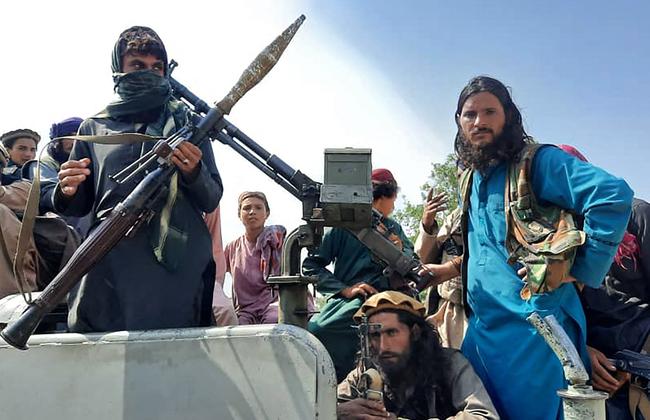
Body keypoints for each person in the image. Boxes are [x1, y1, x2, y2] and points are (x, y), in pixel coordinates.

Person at [418, 76, 633, 419]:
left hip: (535, 333)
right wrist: (444, 271)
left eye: (490, 111)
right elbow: (487, 250)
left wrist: (578, 271)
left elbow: (612, 195)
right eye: (469, 114)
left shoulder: (538, 162)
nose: (480, 122)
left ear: (508, 116)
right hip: (482, 332)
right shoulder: (470, 177)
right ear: (458, 121)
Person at [42, 26, 223, 332]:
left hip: (176, 267)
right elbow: (79, 203)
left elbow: (211, 196)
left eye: (157, 67)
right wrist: (67, 189)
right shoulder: (94, 127)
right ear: (118, 70)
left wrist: (193, 171)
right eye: (138, 65)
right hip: (109, 259)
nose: (150, 73)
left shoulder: (188, 124)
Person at [560, 145, 650, 419]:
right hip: (596, 371)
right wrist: (582, 352)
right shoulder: (556, 237)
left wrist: (638, 362)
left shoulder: (636, 215)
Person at [304, 168, 416, 382]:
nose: (393, 205)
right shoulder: (344, 228)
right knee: (318, 331)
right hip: (353, 303)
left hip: (391, 302)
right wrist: (345, 290)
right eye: (393, 198)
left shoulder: (394, 229)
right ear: (386, 195)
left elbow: (414, 264)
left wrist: (400, 250)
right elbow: (311, 265)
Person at [337, 291, 499, 420]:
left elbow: (484, 416)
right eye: (375, 335)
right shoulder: (365, 373)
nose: (383, 346)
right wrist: (338, 412)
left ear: (415, 332)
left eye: (391, 333)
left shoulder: (450, 364)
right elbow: (319, 408)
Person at [224, 191, 285, 324]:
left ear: (267, 214)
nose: (252, 212)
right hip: (245, 310)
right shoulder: (232, 248)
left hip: (274, 303)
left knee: (273, 321)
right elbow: (217, 275)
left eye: (258, 208)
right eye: (246, 208)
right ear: (239, 215)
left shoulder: (277, 240)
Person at [415, 199, 467, 349]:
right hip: (451, 311)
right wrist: (427, 225)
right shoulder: (455, 217)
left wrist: (448, 269)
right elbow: (425, 259)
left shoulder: (501, 211)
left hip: (486, 308)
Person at [0, 143, 38, 299]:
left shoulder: (21, 188)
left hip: (14, 302)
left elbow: (29, 198)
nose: (28, 154)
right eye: (22, 148)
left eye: (32, 149)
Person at [205, 207, 238, 326]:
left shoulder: (207, 194)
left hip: (200, 273)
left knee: (224, 311)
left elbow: (215, 245)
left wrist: (215, 283)